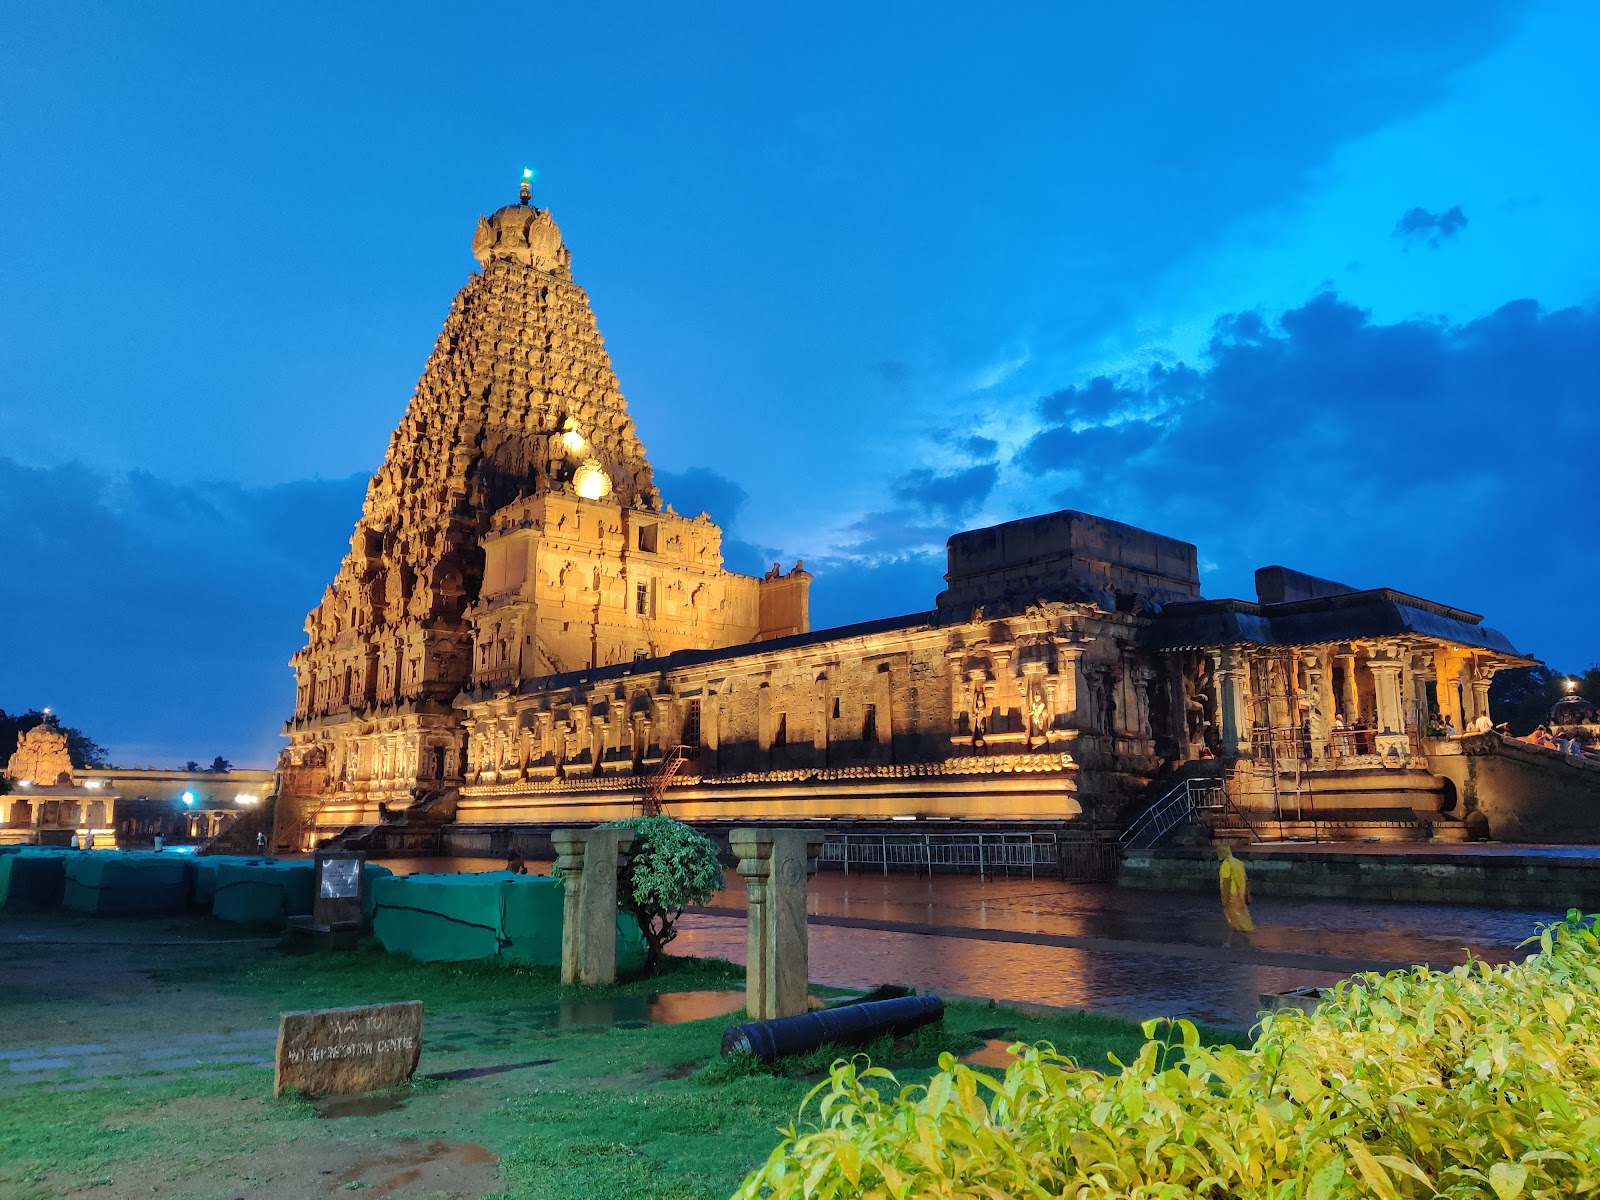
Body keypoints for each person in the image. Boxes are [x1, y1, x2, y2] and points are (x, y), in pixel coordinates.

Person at [1217, 842, 1253, 948]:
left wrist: (1224, 898)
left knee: (1234, 919)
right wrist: (1247, 894)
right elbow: (1246, 879)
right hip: (1240, 894)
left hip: (1232, 895)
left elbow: (1226, 882)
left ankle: (1247, 943)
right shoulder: (1238, 862)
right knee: (1237, 919)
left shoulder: (1226, 864)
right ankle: (1230, 942)